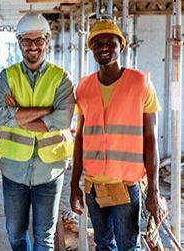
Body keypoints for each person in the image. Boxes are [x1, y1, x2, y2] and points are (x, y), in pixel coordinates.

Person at [70, 19, 166, 250]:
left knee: (128, 246)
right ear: (91, 48)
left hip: (126, 185)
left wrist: (153, 189)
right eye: (98, 43)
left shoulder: (140, 83)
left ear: (120, 46)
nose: (104, 47)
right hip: (93, 186)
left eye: (110, 42)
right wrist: (75, 184)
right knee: (103, 244)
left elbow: (151, 139)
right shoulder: (83, 87)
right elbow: (80, 139)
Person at [0, 13, 75, 251]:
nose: (33, 47)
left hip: (50, 171)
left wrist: (17, 115)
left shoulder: (61, 78)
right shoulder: (7, 76)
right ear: (19, 42)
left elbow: (62, 119)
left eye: (38, 40)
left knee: (44, 236)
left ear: (47, 40)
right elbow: (0, 115)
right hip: (14, 170)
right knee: (15, 233)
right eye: (26, 41)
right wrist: (46, 111)